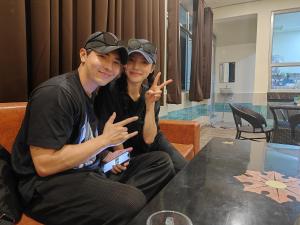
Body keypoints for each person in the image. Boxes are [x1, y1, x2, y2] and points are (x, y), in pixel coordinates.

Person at [11, 32, 175, 225]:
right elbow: (45, 164)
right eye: (102, 56)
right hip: (44, 188)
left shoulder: (90, 95)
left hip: (87, 170)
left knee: (161, 162)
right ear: (83, 55)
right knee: (132, 201)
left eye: (115, 62)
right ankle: (119, 203)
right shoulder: (56, 94)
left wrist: (104, 155)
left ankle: (112, 203)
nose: (108, 67)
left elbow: (81, 142)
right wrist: (105, 141)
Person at [95, 39, 187, 173]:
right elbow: (109, 131)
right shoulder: (109, 91)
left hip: (151, 143)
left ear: (152, 68)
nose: (136, 67)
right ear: (124, 64)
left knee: (185, 170)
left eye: (144, 62)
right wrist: (121, 156)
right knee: (163, 169)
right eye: (131, 60)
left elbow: (150, 139)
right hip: (123, 148)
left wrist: (150, 106)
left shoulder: (151, 93)